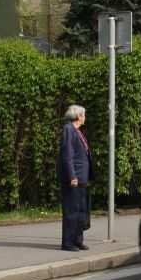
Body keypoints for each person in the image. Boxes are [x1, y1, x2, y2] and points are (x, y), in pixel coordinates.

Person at [57, 105, 93, 252]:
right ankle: (68, 242)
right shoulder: (69, 129)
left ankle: (78, 240)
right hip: (74, 179)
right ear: (78, 116)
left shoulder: (78, 131)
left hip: (82, 178)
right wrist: (72, 176)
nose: (85, 117)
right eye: (83, 115)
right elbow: (68, 155)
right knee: (72, 211)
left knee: (81, 211)